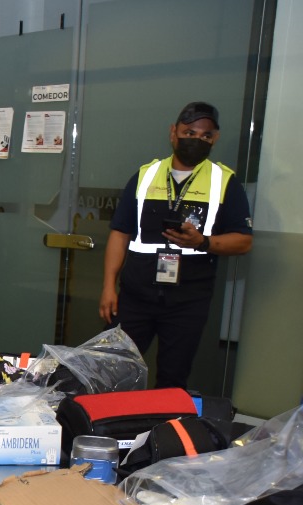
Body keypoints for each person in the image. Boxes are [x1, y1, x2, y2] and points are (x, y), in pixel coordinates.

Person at [99, 101, 253, 390]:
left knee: (172, 379)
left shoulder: (225, 182)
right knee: (109, 370)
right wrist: (109, 285)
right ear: (173, 133)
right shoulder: (145, 176)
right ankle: (105, 431)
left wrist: (203, 242)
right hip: (135, 296)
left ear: (214, 139)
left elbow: (243, 241)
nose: (197, 140)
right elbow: (120, 233)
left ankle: (163, 434)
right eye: (189, 132)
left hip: (188, 300)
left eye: (206, 136)